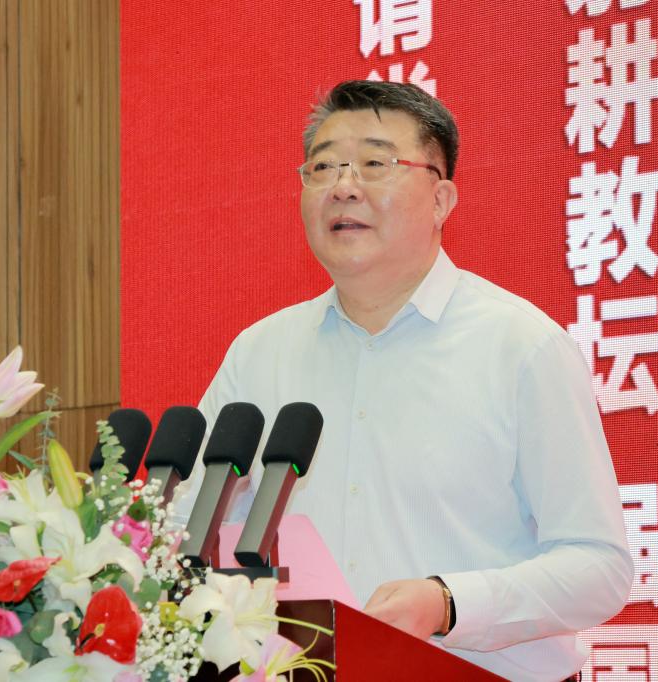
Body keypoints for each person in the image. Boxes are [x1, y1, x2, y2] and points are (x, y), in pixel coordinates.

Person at [181, 80, 633, 681]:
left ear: (442, 199)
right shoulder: (260, 352)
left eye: (376, 164)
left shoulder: (522, 347)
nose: (344, 187)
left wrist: (448, 603)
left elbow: (599, 567)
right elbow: (188, 527)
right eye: (323, 167)